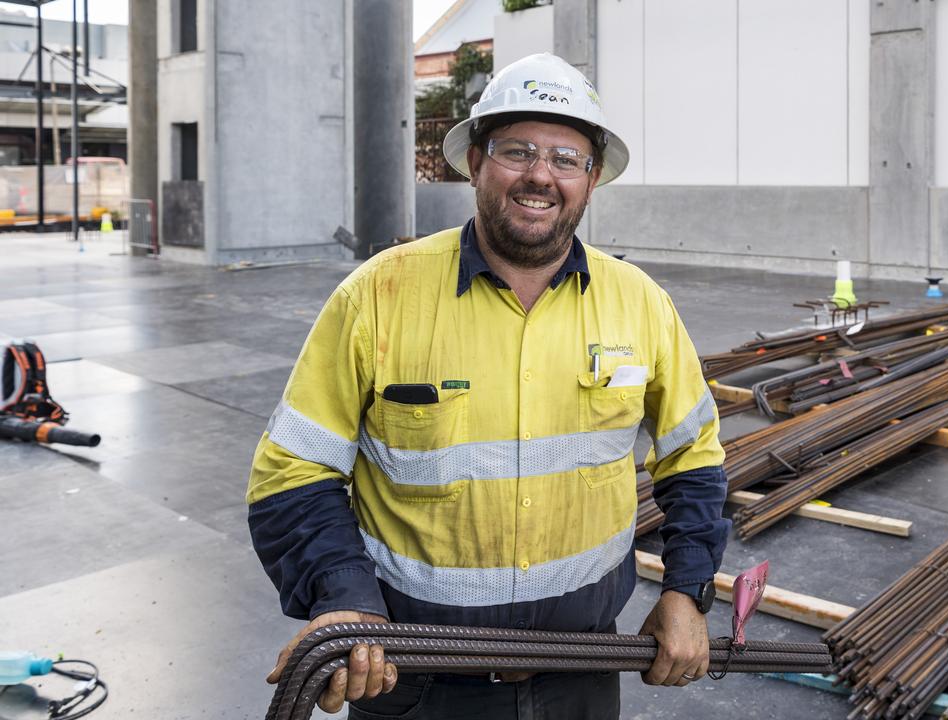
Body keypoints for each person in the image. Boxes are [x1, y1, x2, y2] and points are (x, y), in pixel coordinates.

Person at [246, 53, 730, 719]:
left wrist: (686, 590)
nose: (540, 175)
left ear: (592, 180)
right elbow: (292, 469)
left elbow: (694, 456)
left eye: (566, 158)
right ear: (475, 163)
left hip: (582, 677)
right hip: (414, 683)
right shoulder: (377, 297)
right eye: (517, 151)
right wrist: (345, 597)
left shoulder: (641, 305)